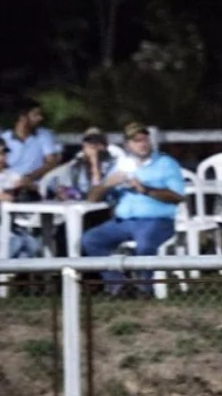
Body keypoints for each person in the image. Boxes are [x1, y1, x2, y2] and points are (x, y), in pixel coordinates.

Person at [81, 123, 185, 298]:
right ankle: (118, 285)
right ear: (127, 145)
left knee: (145, 244)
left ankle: (145, 288)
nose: (142, 144)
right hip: (123, 221)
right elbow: (92, 198)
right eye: (136, 141)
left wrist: (145, 190)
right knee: (91, 239)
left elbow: (178, 196)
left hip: (157, 220)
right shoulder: (121, 166)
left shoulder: (166, 163)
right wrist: (107, 184)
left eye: (144, 139)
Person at [1, 98, 63, 188]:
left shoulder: (44, 135)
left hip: (37, 185)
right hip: (10, 185)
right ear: (22, 117)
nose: (40, 118)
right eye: (36, 115)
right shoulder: (4, 139)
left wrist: (30, 177)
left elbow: (51, 162)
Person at [0, 139, 42, 259]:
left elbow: (36, 191)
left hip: (12, 225)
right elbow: (5, 197)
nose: (2, 157)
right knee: (17, 242)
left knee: (32, 245)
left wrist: (28, 185)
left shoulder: (11, 174)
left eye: (4, 153)